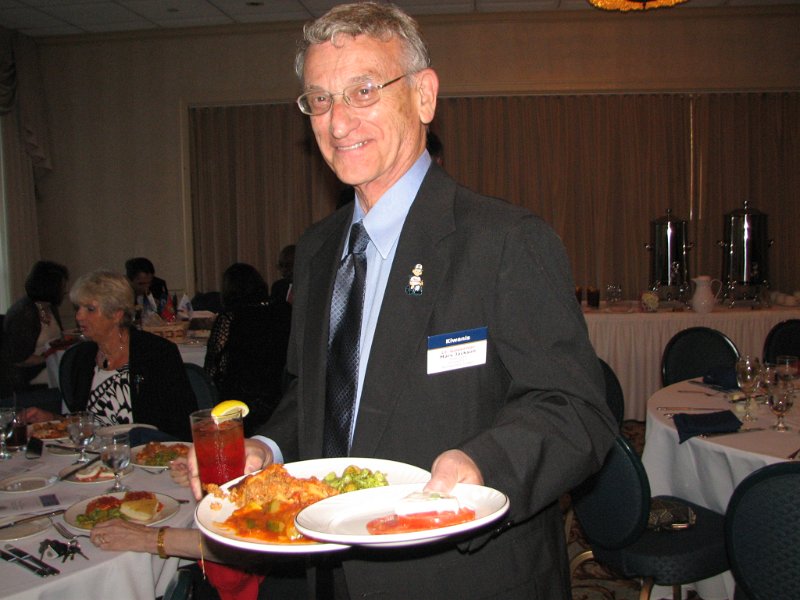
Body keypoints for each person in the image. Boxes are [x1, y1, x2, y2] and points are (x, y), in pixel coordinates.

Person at [187, 3, 616, 598]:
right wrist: (268, 445)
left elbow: (576, 409)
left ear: (423, 96)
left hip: (458, 573)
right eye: (319, 99)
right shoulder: (315, 250)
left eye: (363, 91)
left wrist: (484, 465)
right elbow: (309, 391)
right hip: (316, 568)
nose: (337, 123)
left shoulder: (504, 241)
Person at [25, 270, 197, 440]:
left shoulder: (156, 354)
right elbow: (86, 423)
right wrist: (53, 420)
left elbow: (182, 423)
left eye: (90, 309)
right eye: (78, 308)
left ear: (117, 314)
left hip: (148, 455)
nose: (79, 316)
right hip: (97, 457)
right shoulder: (82, 358)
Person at [204, 263, 289, 435]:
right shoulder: (284, 310)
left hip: (240, 399)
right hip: (280, 394)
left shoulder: (230, 317)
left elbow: (214, 367)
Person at [1, 261, 69, 391]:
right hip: (28, 373)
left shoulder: (48, 307)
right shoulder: (24, 313)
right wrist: (50, 359)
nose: (65, 290)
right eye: (62, 285)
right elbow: (19, 359)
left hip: (48, 365)